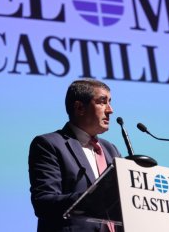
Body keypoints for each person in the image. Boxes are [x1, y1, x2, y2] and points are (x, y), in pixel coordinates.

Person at [29, 79, 121, 232]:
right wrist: (91, 199)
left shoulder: (110, 149)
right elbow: (43, 202)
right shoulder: (49, 144)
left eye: (110, 102)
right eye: (102, 102)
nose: (110, 110)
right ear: (79, 108)